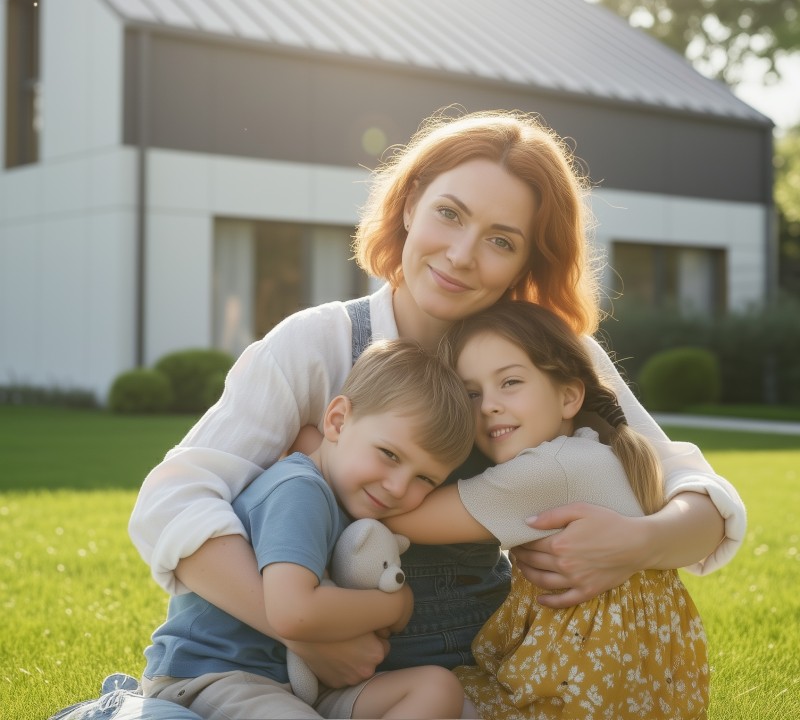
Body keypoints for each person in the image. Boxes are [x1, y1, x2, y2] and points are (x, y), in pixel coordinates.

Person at [120, 109, 744, 715]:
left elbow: (701, 498)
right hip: (289, 680)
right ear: (411, 203)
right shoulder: (319, 343)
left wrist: (638, 542)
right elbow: (173, 501)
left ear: (527, 263)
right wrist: (302, 630)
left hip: (470, 680)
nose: (462, 255)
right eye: (450, 214)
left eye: (501, 241)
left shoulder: (547, 358)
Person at [384, 300, 710, 719]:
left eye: (510, 382)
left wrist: (330, 450)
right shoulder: (597, 450)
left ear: (569, 396)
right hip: (640, 696)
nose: (488, 406)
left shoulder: (549, 469)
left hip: (574, 701)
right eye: (471, 393)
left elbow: (396, 512)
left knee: (426, 693)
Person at [142, 338, 474, 720]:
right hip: (216, 674)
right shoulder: (300, 490)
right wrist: (396, 604)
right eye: (389, 454)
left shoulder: (349, 499)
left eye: (425, 479)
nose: (398, 487)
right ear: (337, 421)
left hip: (302, 687)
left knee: (438, 690)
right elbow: (293, 612)